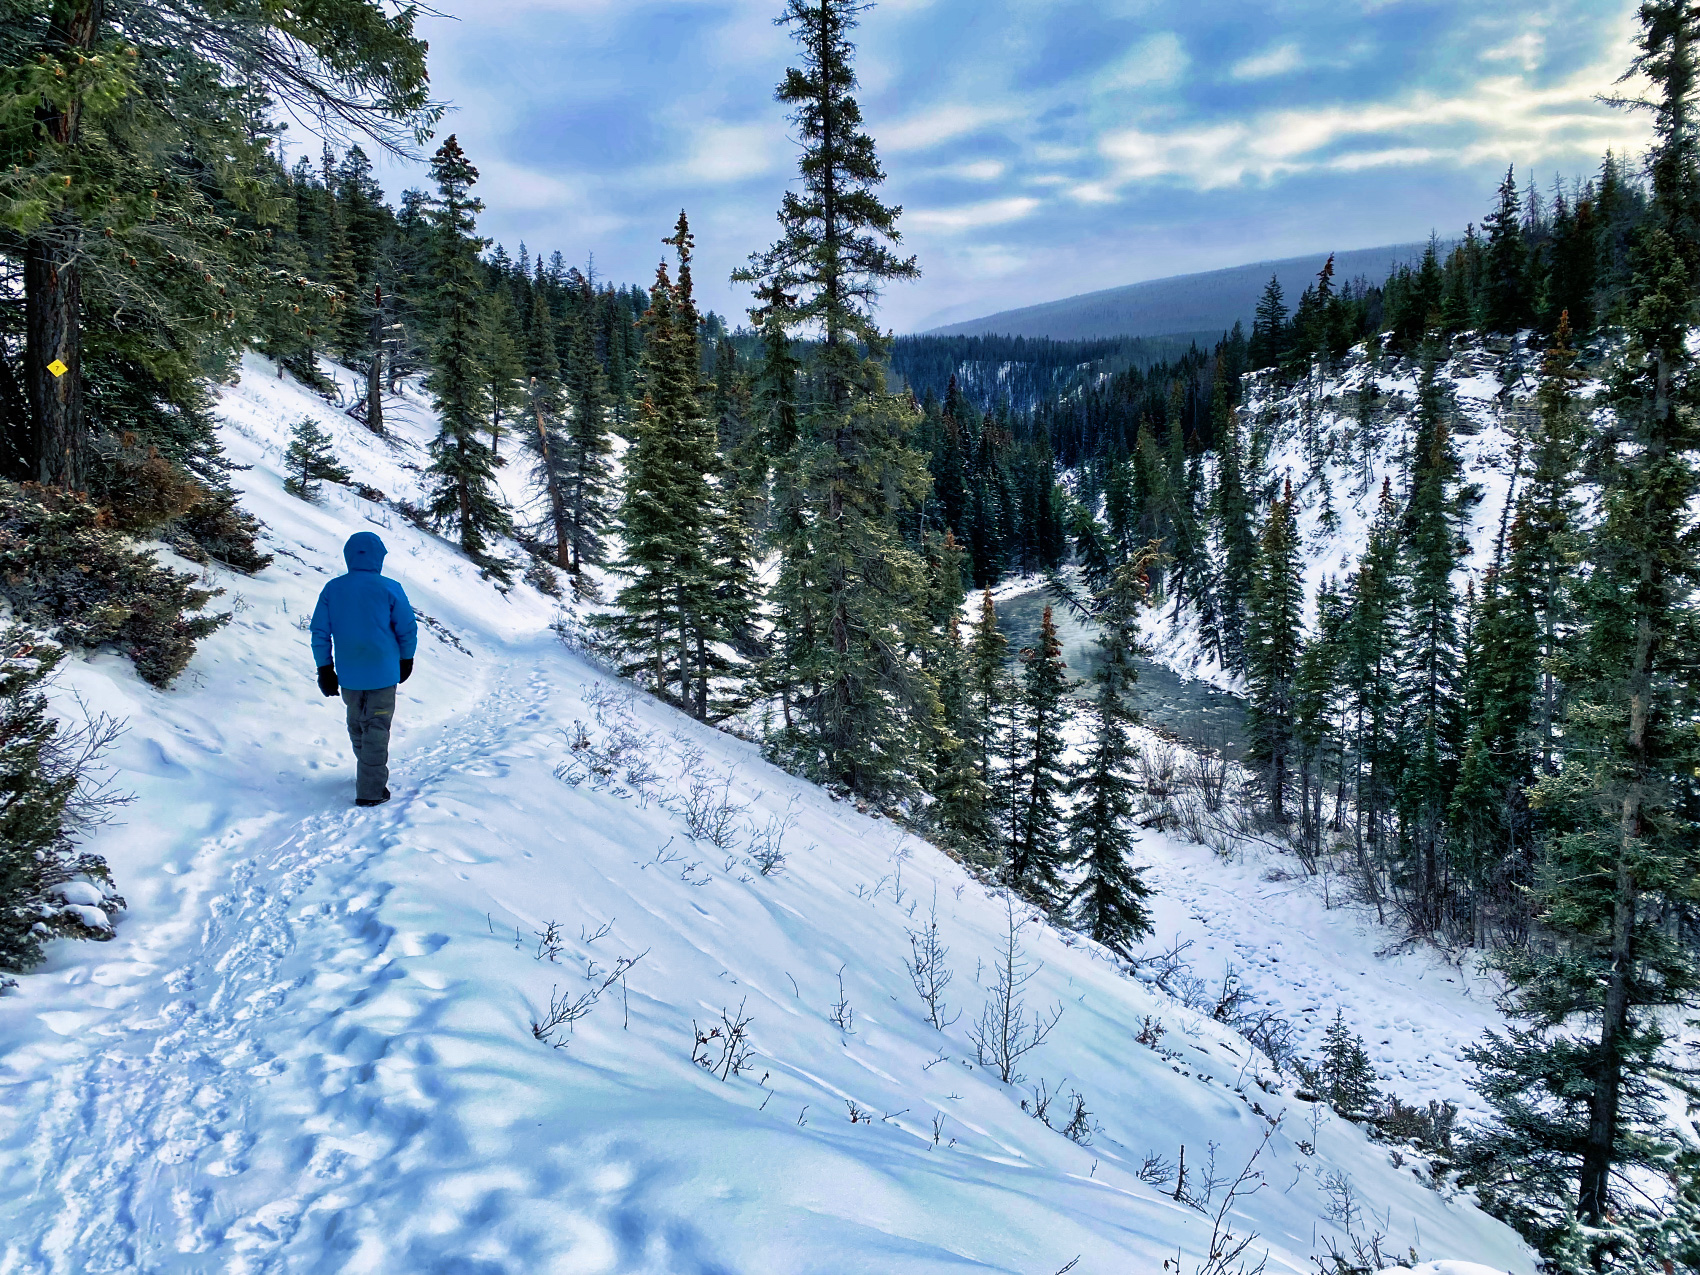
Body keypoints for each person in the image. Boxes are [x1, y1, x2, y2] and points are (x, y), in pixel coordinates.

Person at [310, 532, 418, 807]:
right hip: (383, 672)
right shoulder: (390, 587)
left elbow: (320, 632)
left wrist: (325, 668)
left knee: (358, 726)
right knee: (376, 728)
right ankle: (370, 789)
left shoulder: (333, 589)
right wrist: (407, 659)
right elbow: (406, 628)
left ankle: (367, 773)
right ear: (379, 558)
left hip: (349, 674)